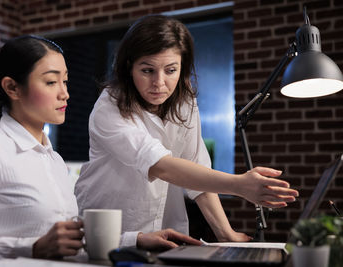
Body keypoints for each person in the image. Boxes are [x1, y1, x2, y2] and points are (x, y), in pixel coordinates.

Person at [0, 35, 200, 263]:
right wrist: (32, 248)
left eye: (65, 81)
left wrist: (138, 239)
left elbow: (72, 243)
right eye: (51, 82)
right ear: (12, 87)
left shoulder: (52, 159)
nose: (65, 93)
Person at [75, 15, 299, 245]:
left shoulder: (185, 102)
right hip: (108, 236)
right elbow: (160, 165)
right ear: (129, 67)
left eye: (170, 70)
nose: (159, 83)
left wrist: (226, 234)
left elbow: (198, 170)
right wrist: (239, 185)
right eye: (147, 70)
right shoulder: (109, 107)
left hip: (163, 236)